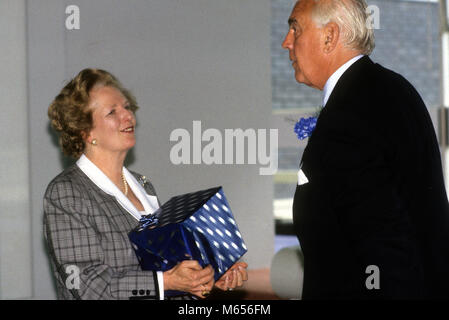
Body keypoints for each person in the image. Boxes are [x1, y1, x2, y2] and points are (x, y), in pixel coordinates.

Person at [282, 0, 449, 299]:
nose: (286, 42)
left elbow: (383, 251)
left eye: (295, 28)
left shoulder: (351, 113)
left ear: (329, 36)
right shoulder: (392, 89)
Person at [44, 68, 248, 300]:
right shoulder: (67, 193)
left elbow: (167, 265)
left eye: (127, 107)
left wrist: (207, 274)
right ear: (86, 131)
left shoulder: (143, 185)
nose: (128, 116)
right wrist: (167, 282)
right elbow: (87, 286)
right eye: (112, 112)